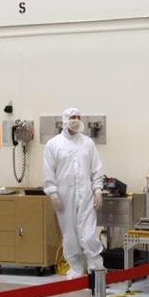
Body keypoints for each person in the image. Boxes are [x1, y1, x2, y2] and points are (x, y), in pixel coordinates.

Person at [43, 107, 105, 278]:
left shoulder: (88, 143)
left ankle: (96, 271)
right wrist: (53, 194)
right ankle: (76, 270)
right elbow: (49, 172)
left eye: (78, 117)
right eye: (72, 117)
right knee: (69, 234)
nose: (76, 120)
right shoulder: (53, 145)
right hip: (64, 197)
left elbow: (96, 169)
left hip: (86, 196)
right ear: (64, 120)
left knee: (89, 233)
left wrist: (98, 189)